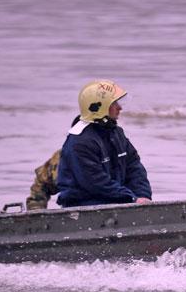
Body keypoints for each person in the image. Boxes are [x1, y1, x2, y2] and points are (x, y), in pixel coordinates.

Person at [56, 79, 152, 207]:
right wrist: (131, 198)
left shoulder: (116, 133)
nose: (120, 108)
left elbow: (134, 167)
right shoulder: (80, 142)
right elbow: (95, 183)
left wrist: (142, 196)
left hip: (117, 202)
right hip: (84, 207)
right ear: (99, 107)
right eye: (114, 103)